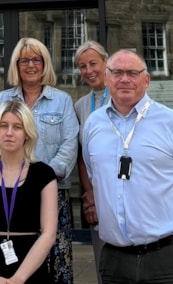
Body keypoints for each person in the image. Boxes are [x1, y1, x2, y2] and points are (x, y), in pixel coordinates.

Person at [80, 49, 173, 284]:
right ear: (106, 79)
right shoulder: (93, 124)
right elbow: (97, 177)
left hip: (169, 257)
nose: (125, 79)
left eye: (133, 73)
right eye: (117, 73)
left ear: (146, 81)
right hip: (116, 259)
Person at [0, 38, 77, 284]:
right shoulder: (2, 99)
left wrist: (39, 178)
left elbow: (69, 145)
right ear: (16, 65)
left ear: (45, 64)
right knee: (13, 262)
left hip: (53, 192)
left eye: (36, 59)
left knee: (57, 265)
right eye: (24, 60)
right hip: (10, 194)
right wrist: (10, 176)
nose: (31, 65)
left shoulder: (62, 101)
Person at [0, 101, 57, 284]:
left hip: (32, 267)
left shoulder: (44, 175)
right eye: (4, 126)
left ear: (27, 134)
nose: (9, 132)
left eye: (17, 127)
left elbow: (48, 234)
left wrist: (19, 278)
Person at [71, 41, 108, 273]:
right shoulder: (81, 105)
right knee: (104, 261)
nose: (89, 71)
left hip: (126, 191)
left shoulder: (122, 96)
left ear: (106, 63)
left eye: (93, 63)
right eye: (83, 66)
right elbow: (82, 156)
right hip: (96, 192)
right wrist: (89, 194)